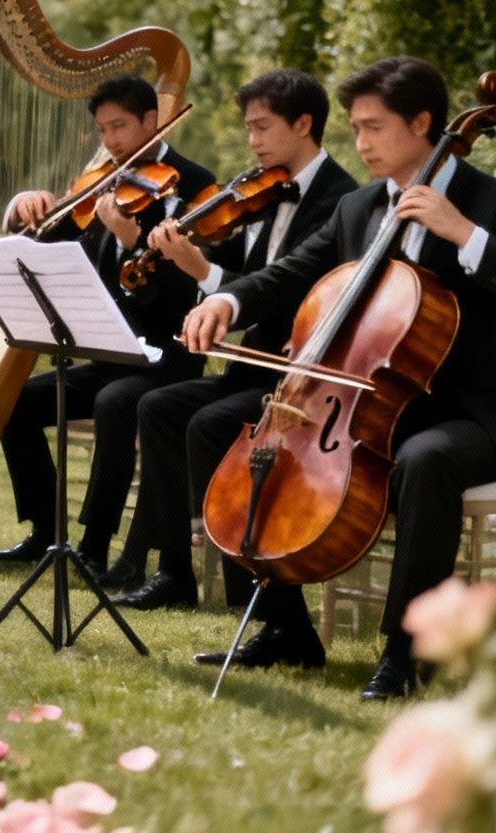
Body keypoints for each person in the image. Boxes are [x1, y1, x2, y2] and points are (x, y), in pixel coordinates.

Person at [178, 56, 496, 700]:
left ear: (423, 123)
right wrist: (230, 301)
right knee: (218, 427)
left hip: (473, 412)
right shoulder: (359, 207)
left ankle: (405, 650)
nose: (360, 144)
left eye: (374, 127)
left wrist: (462, 232)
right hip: (373, 402)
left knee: (425, 459)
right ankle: (284, 629)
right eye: (354, 128)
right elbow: (291, 273)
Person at [104, 68, 358, 600]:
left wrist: (202, 271)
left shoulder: (341, 202)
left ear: (305, 123)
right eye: (249, 129)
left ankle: (254, 596)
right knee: (158, 407)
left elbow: (287, 293)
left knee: (207, 422)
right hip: (251, 369)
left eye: (262, 127)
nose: (253, 141)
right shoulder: (259, 192)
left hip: (298, 380)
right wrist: (176, 259)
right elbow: (234, 275)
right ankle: (174, 573)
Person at [0, 75, 215, 569]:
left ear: (151, 122)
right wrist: (23, 207)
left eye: (120, 127)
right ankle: (47, 533)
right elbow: (41, 244)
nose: (110, 141)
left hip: (165, 360)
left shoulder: (194, 185)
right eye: (102, 130)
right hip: (108, 351)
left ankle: (92, 547)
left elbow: (187, 289)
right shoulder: (98, 184)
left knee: (114, 403)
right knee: (15, 404)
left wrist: (133, 238)